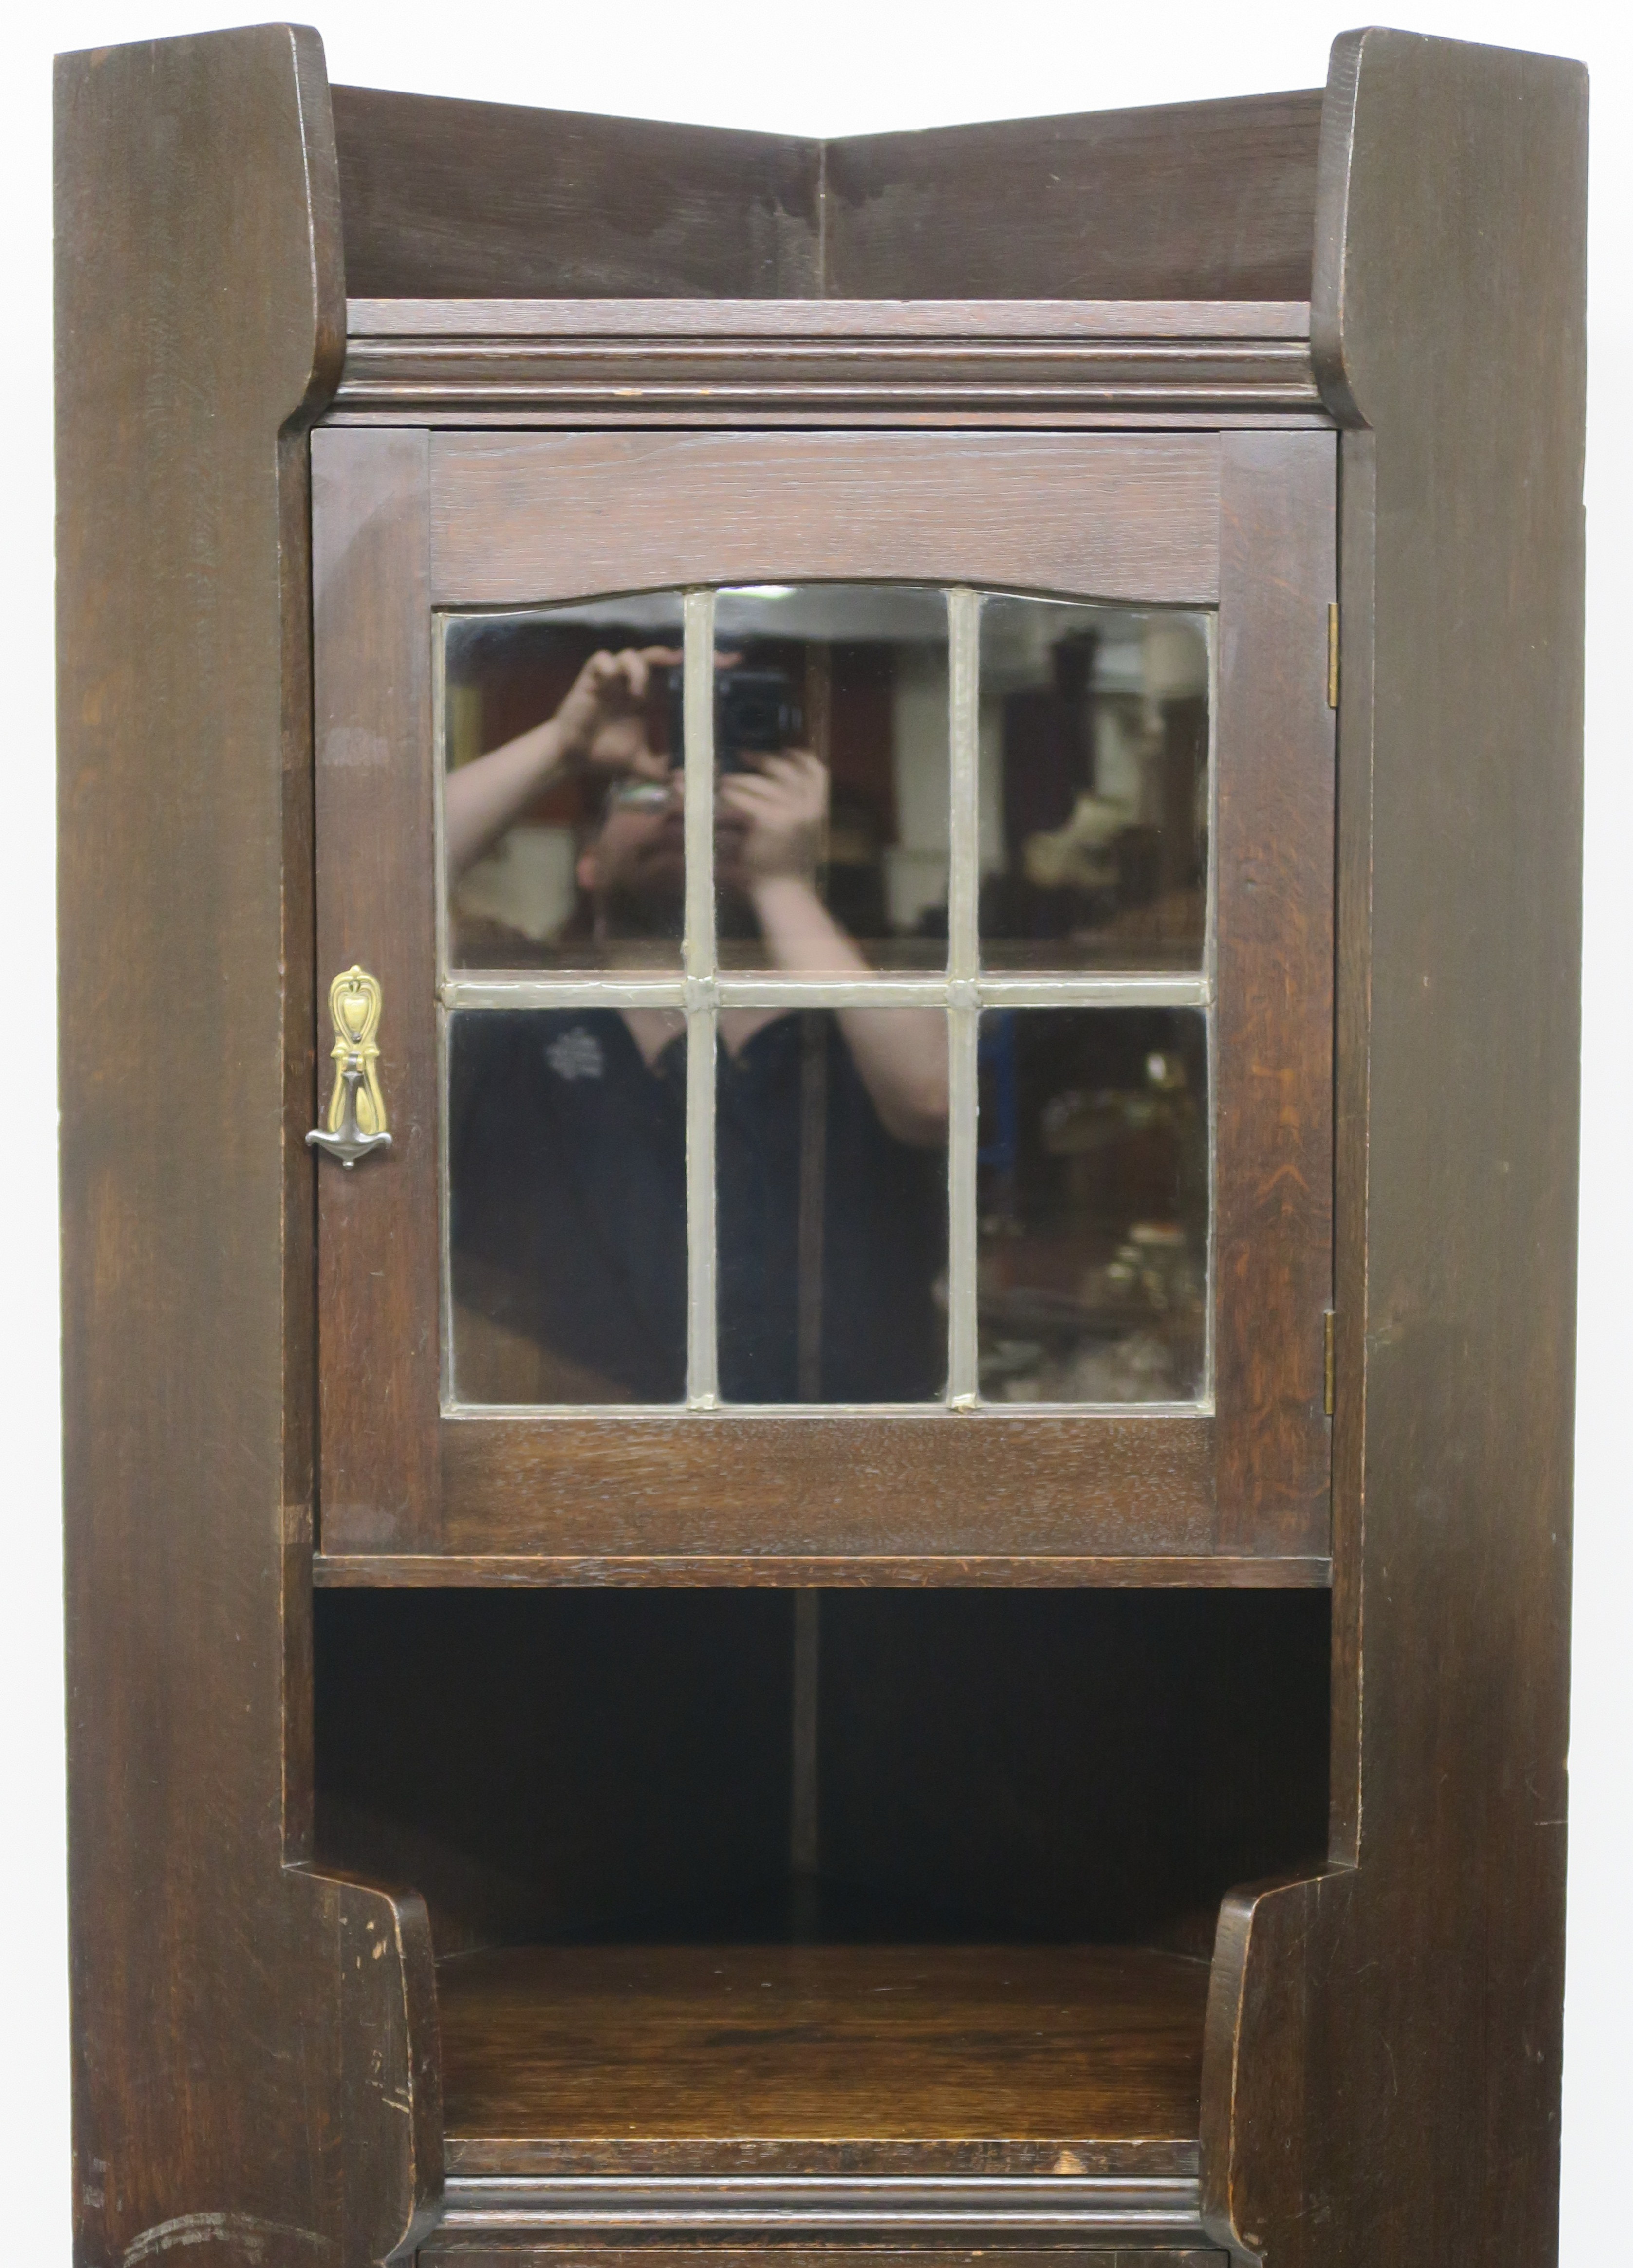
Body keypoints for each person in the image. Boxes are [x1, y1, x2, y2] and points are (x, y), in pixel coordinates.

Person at [445, 644, 949, 1405]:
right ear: (588, 860)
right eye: (646, 797)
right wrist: (560, 745)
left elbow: (932, 1098)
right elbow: (375, 875)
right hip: (566, 1463)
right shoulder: (515, 1003)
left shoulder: (855, 1008)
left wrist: (781, 877)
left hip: (850, 1470)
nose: (684, 807)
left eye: (722, 797)